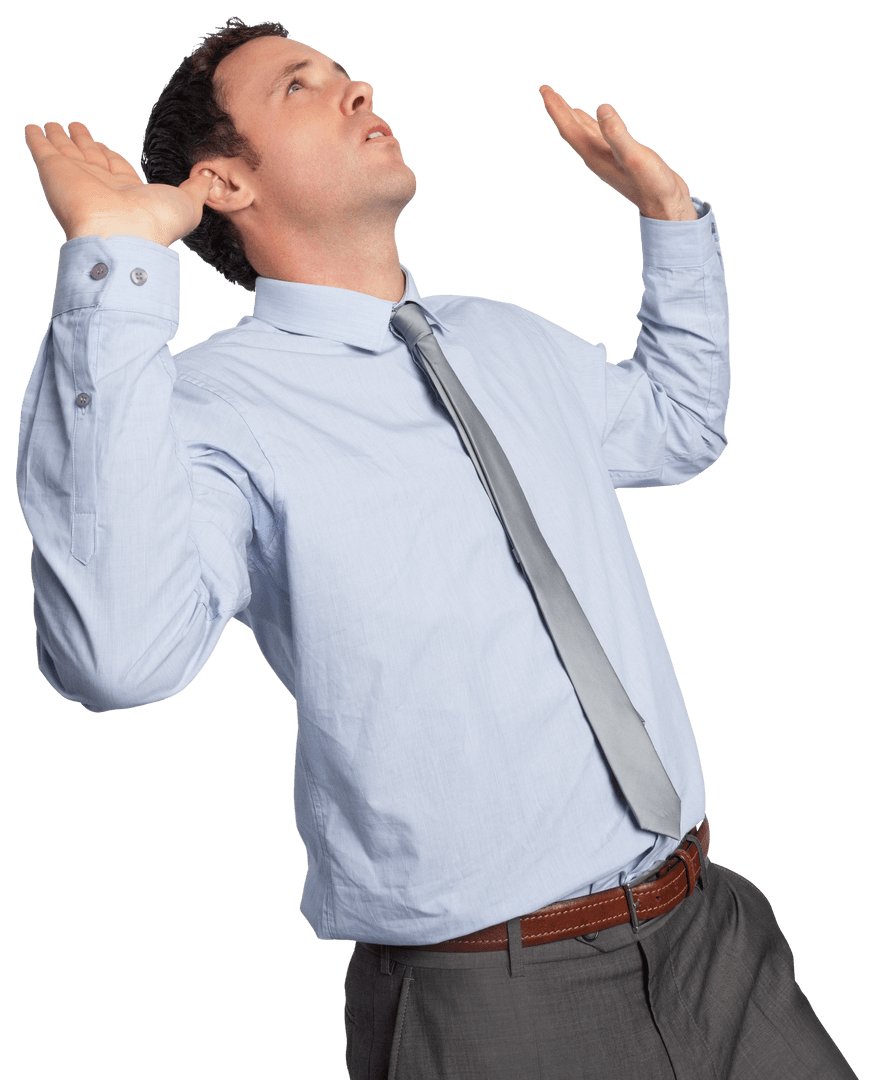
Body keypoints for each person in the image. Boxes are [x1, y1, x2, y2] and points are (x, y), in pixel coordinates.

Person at [18, 15, 857, 1080]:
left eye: (340, 71)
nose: (357, 87)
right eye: (299, 87)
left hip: (713, 938)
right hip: (492, 1003)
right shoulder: (209, 409)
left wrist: (666, 219)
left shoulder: (501, 336)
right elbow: (118, 658)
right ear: (225, 182)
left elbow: (675, 427)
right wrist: (117, 265)